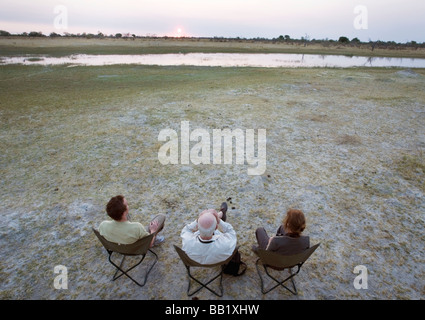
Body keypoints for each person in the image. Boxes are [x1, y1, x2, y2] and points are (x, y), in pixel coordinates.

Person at [99, 195, 166, 247]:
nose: (128, 206)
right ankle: (154, 239)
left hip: (119, 247)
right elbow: (149, 245)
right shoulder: (136, 227)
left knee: (128, 217)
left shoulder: (103, 225)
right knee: (161, 217)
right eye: (127, 205)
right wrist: (153, 231)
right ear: (124, 213)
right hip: (136, 248)